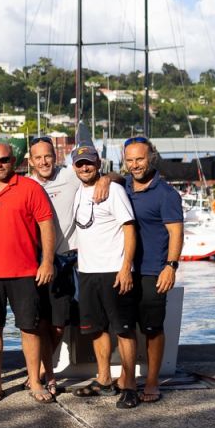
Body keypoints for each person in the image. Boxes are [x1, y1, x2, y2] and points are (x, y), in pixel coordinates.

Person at [26, 135, 115, 393]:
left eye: (48, 156)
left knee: (75, 320)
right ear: (30, 161)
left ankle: (99, 375)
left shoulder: (70, 175)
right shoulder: (27, 184)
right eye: (38, 158)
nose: (44, 162)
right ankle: (41, 371)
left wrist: (107, 178)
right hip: (42, 259)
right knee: (45, 322)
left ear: (55, 157)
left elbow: (117, 178)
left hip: (73, 257)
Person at [0, 142, 56, 404]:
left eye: (4, 159)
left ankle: (34, 380)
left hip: (25, 272)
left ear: (14, 161)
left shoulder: (30, 188)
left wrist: (47, 262)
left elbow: (46, 225)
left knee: (29, 328)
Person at [68, 145, 139, 409]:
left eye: (89, 163)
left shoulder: (114, 190)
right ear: (74, 166)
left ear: (98, 163)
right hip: (87, 271)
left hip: (114, 270)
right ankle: (104, 379)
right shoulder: (78, 191)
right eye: (80, 164)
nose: (85, 167)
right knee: (96, 329)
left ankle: (129, 385)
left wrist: (125, 268)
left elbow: (129, 229)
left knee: (123, 329)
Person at [123, 136, 185, 404]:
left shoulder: (166, 194)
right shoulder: (121, 186)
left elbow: (176, 233)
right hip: (124, 270)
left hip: (153, 270)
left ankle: (151, 380)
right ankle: (127, 379)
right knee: (124, 326)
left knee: (152, 328)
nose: (135, 165)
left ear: (151, 158)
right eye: (130, 160)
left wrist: (170, 267)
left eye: (140, 159)